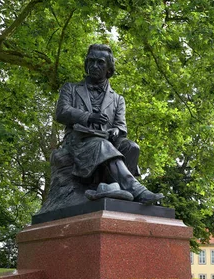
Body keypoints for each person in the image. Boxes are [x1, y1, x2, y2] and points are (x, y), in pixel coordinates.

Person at [53, 44, 163, 205]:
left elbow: (121, 126)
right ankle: (136, 190)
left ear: (109, 69)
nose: (94, 66)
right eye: (91, 61)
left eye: (100, 62)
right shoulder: (70, 88)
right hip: (79, 141)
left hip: (107, 140)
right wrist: (89, 116)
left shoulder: (118, 99)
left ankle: (114, 189)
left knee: (132, 147)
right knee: (101, 145)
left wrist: (116, 131)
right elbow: (61, 112)